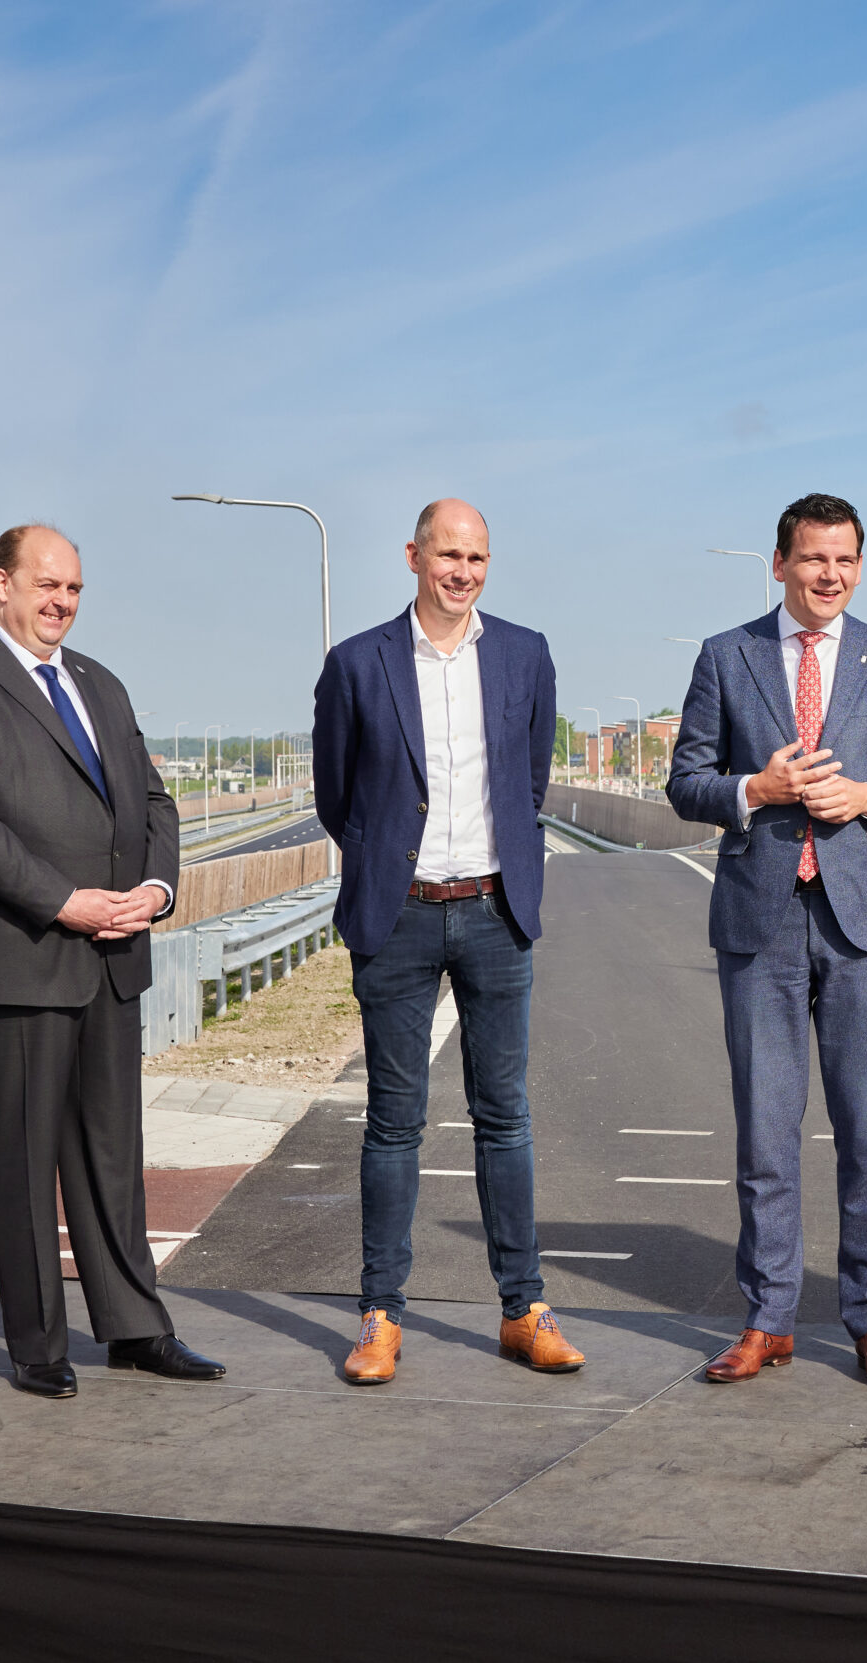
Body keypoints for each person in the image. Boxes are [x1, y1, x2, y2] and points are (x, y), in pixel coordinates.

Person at [0, 523, 222, 1398]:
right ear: (0, 585)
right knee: (20, 1162)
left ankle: (135, 1328)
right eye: (46, 585)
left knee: (112, 1156)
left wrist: (153, 891)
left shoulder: (100, 685)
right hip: (6, 964)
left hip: (111, 954)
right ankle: (39, 1347)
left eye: (74, 589)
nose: (62, 603)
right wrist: (62, 900)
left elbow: (154, 799)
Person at [666, 493, 867, 1388]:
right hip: (762, 921)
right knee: (766, 1134)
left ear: (859, 567)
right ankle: (769, 1317)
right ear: (780, 563)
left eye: (845, 561)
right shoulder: (728, 656)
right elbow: (686, 782)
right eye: (813, 559)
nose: (830, 575)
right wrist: (757, 787)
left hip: (865, 922)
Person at [311, 498, 577, 1385]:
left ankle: (522, 1309)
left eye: (477, 558)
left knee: (505, 1117)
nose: (462, 572)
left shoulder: (525, 654)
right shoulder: (357, 664)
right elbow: (335, 798)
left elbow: (529, 777)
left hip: (498, 911)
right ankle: (381, 1314)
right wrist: (391, 861)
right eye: (448, 555)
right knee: (395, 1122)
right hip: (400, 915)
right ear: (414, 557)